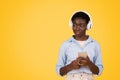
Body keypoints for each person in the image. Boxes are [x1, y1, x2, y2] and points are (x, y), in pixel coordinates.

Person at [56, 11, 103, 80]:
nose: (77, 28)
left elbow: (99, 71)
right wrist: (71, 66)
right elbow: (59, 71)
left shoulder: (95, 45)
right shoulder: (65, 45)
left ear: (88, 26)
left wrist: (89, 63)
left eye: (81, 25)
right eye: (75, 25)